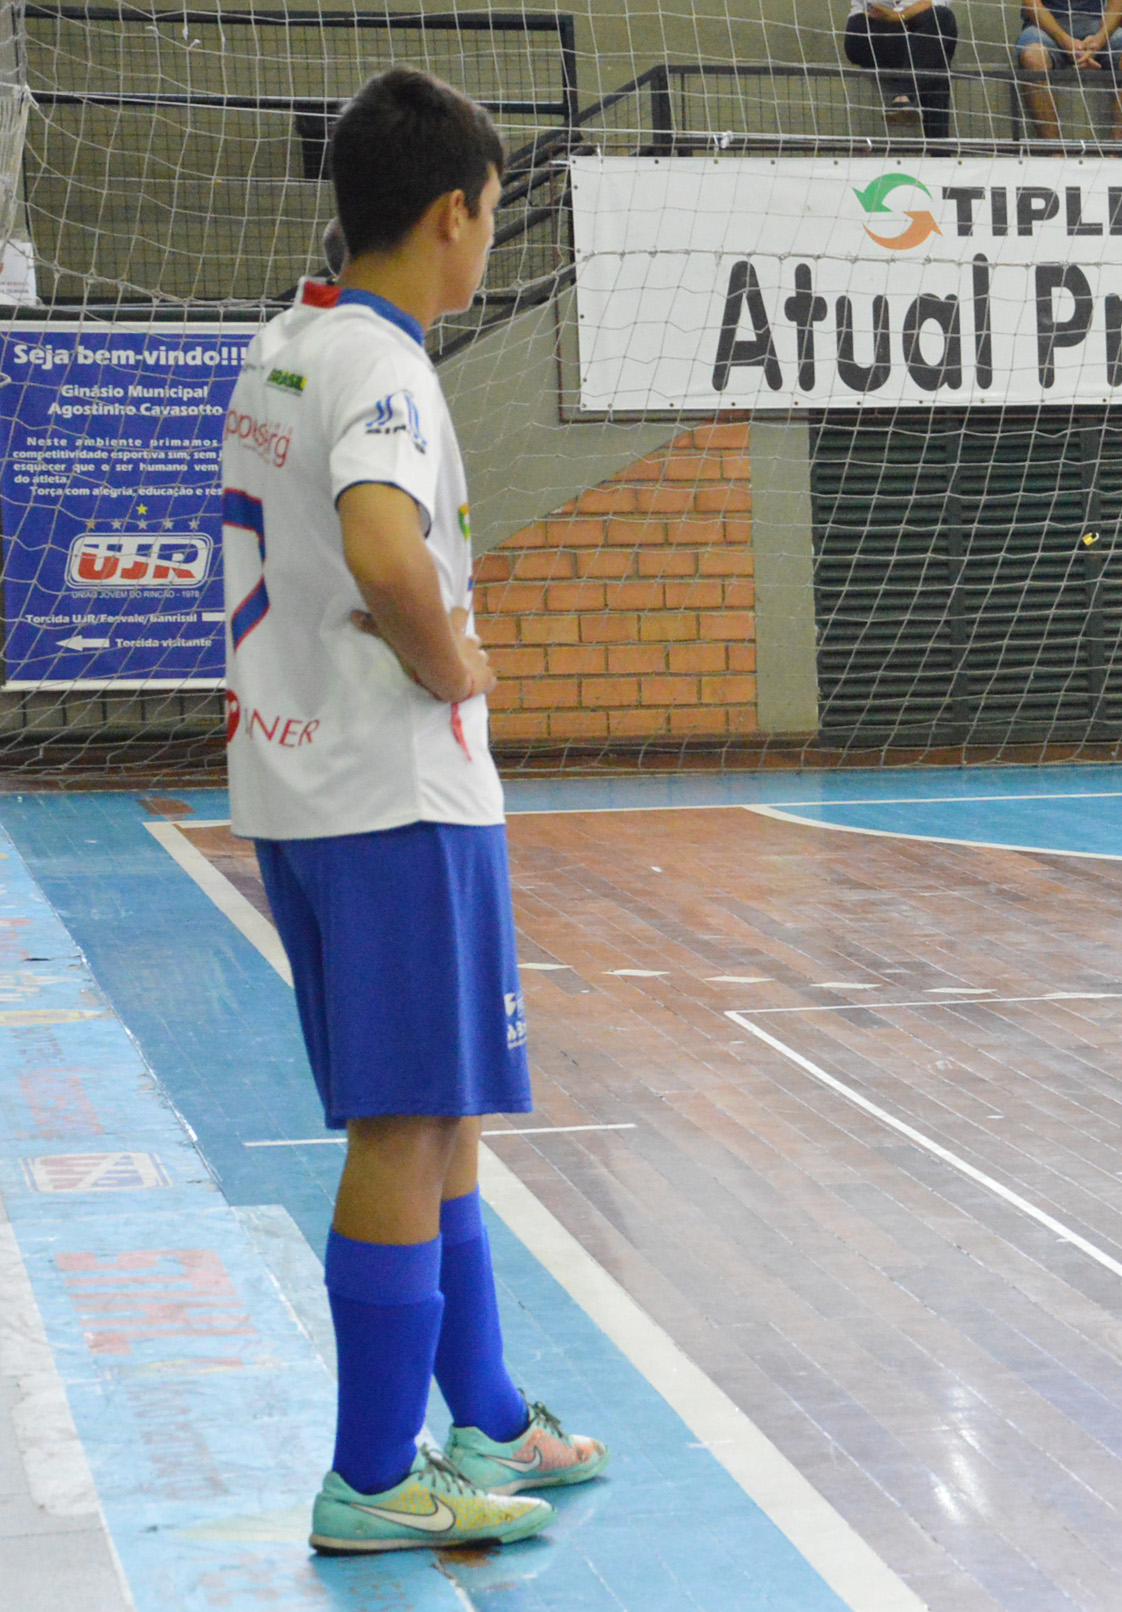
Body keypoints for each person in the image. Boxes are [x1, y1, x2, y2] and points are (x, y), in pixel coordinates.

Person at [220, 66, 608, 1554]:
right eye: (494, 213)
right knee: (404, 1123)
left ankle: (487, 1417)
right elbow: (385, 549)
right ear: (452, 213)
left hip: (309, 787)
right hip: (393, 794)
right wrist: (457, 661)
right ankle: (374, 1473)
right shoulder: (383, 369)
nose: (491, 239)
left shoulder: (289, 341)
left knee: (436, 1114)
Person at [1015, 0, 1122, 142]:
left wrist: (1098, 41)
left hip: (1095, 24)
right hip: (1046, 26)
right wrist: (1065, 41)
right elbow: (1031, 4)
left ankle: (1115, 148)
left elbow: (1117, 3)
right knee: (1033, 57)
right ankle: (1053, 149)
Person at [843, 0, 959, 138]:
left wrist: (899, 16)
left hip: (912, 31)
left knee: (942, 21)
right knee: (934, 50)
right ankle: (939, 147)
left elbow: (937, 3)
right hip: (869, 30)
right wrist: (902, 15)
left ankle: (903, 96)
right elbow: (876, 7)